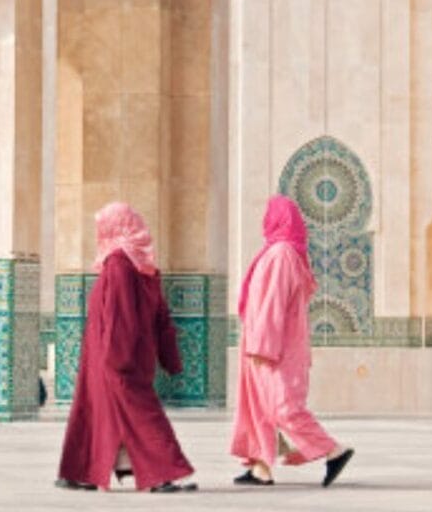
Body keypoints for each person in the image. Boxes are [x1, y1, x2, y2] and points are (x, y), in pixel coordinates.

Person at [56, 202, 197, 493]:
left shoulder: (119, 264)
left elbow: (120, 316)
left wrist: (116, 360)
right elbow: (161, 318)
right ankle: (82, 472)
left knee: (138, 412)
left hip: (114, 356)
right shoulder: (141, 264)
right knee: (97, 413)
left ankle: (161, 473)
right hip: (124, 354)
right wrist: (168, 357)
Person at [232, 194, 354, 487]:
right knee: (259, 407)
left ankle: (332, 450)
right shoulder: (279, 251)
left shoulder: (282, 254)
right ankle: (261, 468)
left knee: (283, 406)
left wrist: (262, 345)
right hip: (266, 341)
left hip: (274, 346)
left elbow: (272, 303)